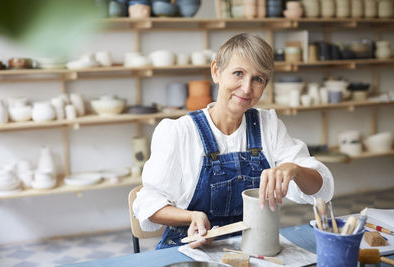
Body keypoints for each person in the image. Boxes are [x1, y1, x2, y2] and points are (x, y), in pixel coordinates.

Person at [133, 33, 334, 249]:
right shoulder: (179, 132)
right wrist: (191, 217)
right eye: (238, 73)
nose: (247, 88)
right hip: (189, 251)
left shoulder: (268, 125)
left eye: (258, 79)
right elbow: (147, 204)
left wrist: (293, 169)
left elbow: (320, 188)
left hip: (250, 248)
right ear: (216, 71)